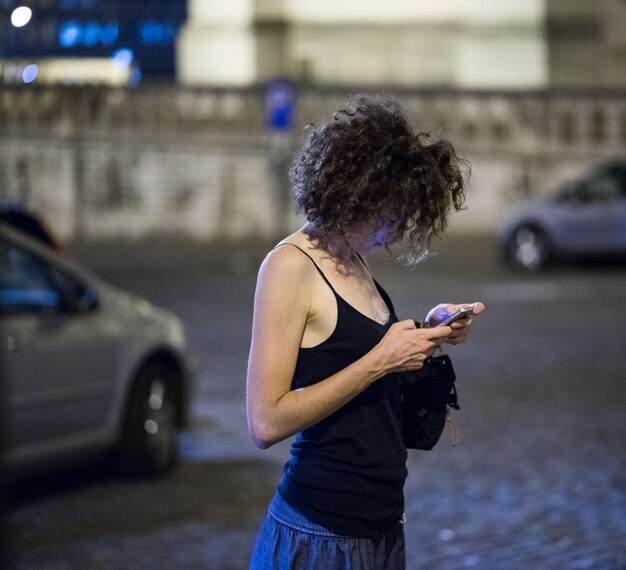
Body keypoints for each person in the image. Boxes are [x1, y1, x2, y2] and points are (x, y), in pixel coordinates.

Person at [246, 94, 484, 569]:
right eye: (391, 218)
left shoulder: (353, 259)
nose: (395, 234)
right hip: (318, 533)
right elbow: (265, 422)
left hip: (379, 528)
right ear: (357, 196)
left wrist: (427, 330)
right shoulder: (289, 267)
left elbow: (355, 351)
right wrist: (382, 360)